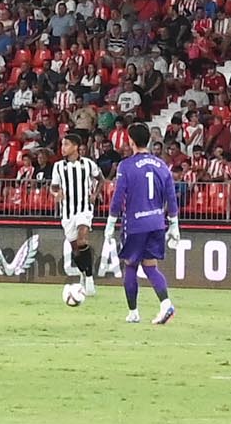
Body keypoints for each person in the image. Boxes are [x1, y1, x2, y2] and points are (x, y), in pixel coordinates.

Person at [109, 130, 180, 324]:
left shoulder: (126, 165)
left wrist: (110, 223)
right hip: (157, 223)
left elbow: (118, 197)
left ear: (130, 141)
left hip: (135, 223)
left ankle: (133, 313)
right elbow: (171, 196)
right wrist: (174, 224)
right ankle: (166, 304)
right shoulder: (161, 164)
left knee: (130, 265)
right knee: (150, 266)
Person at [50, 135, 104, 305]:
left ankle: (89, 279)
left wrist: (95, 194)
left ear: (75, 146)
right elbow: (54, 186)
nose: (62, 147)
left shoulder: (88, 164)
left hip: (84, 209)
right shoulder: (58, 167)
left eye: (66, 144)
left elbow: (100, 178)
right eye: (62, 144)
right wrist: (56, 194)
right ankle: (84, 272)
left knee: (82, 239)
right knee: (76, 250)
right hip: (67, 213)